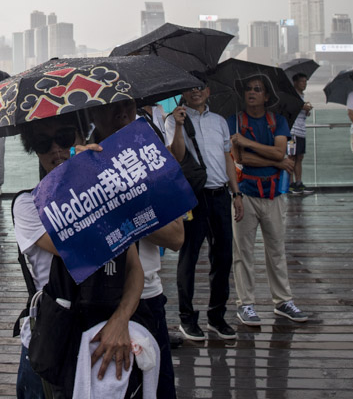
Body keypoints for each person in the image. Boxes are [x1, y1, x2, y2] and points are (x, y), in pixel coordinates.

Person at [12, 113, 145, 398]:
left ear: (82, 138)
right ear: (32, 148)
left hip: (105, 336)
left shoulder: (108, 192)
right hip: (51, 342)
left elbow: (134, 268)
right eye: (43, 142)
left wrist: (121, 320)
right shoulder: (27, 205)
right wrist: (88, 175)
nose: (56, 149)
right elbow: (78, 246)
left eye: (64, 137)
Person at [88, 99, 185, 399]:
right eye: (110, 107)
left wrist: (121, 207)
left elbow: (176, 236)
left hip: (147, 297)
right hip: (94, 301)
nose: (122, 114)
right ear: (92, 112)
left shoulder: (152, 158)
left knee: (158, 388)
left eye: (129, 107)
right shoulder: (80, 162)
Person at [164, 79, 242, 341]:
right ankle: (187, 318)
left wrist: (237, 193)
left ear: (209, 91)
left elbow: (228, 160)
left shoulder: (220, 121)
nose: (196, 90)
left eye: (201, 86)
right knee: (189, 257)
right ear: (183, 91)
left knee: (223, 258)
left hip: (220, 195)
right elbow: (175, 155)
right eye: (190, 86)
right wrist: (177, 124)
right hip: (194, 197)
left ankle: (217, 316)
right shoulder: (173, 120)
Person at [230, 74, 308, 326]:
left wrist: (247, 142)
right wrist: (276, 161)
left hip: (274, 194)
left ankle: (283, 300)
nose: (251, 93)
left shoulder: (278, 121)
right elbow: (240, 159)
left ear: (266, 96)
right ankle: (246, 304)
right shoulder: (235, 121)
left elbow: (279, 150)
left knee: (276, 249)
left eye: (257, 89)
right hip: (244, 193)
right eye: (248, 89)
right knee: (243, 252)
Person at [288, 72, 314, 195]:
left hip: (301, 131)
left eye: (305, 82)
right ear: (295, 83)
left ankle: (299, 182)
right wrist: (303, 107)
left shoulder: (301, 96)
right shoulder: (292, 95)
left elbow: (301, 110)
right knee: (291, 156)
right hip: (293, 132)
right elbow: (290, 108)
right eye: (302, 82)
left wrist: (306, 110)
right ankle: (290, 183)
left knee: (299, 157)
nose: (304, 84)